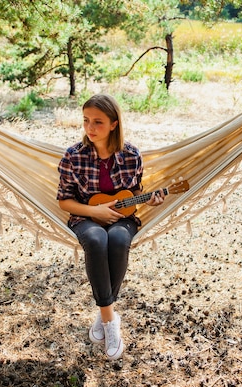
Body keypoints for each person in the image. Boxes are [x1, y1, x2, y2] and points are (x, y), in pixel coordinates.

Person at [56, 94, 165, 360]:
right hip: (86, 216)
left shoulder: (131, 155)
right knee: (95, 241)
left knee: (117, 240)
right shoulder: (74, 156)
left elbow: (134, 193)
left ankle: (104, 311)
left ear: (114, 124)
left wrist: (151, 199)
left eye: (98, 122)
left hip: (122, 219)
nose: (90, 128)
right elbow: (64, 201)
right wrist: (95, 211)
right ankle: (110, 319)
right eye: (86, 121)